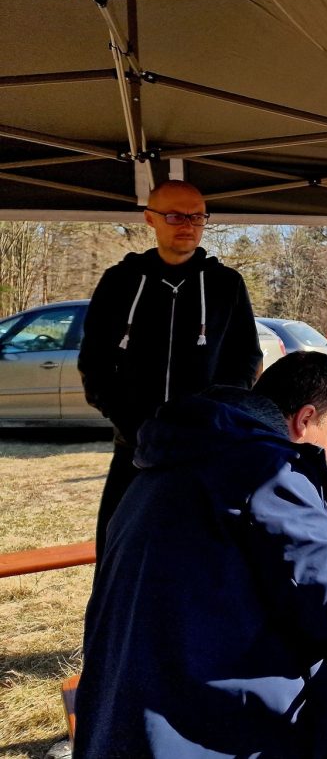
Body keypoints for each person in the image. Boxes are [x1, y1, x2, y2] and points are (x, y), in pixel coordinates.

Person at [76, 352, 327, 758]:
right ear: (304, 419)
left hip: (129, 709)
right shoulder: (267, 469)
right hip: (207, 727)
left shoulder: (175, 458)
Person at [78, 179, 261, 561]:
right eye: (176, 215)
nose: (188, 225)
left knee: (200, 554)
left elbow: (245, 359)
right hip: (135, 445)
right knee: (119, 550)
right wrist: (134, 425)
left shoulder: (226, 284)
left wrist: (216, 418)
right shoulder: (121, 281)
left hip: (207, 445)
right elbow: (95, 363)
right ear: (150, 219)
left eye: (197, 216)